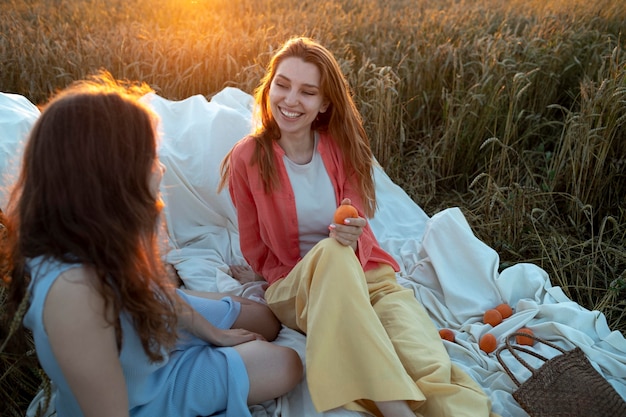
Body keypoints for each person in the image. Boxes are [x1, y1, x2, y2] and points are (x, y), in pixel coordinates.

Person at [219, 37, 497, 417]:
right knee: (332, 252)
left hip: (371, 278)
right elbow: (255, 244)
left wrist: (351, 227)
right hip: (299, 287)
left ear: (324, 103)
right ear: (269, 88)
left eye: (307, 91)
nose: (290, 99)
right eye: (282, 85)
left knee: (427, 365)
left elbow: (355, 213)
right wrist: (262, 270)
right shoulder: (247, 157)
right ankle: (394, 408)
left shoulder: (342, 146)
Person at [3, 73, 303, 417]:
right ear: (111, 178)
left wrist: (214, 335)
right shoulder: (72, 294)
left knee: (266, 319)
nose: (159, 169)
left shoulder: (98, 230)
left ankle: (212, 328)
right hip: (149, 392)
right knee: (286, 364)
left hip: (152, 321)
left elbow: (148, 286)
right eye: (148, 159)